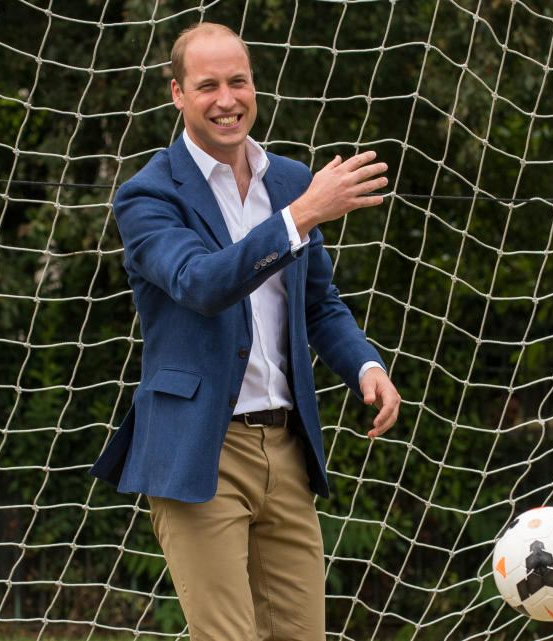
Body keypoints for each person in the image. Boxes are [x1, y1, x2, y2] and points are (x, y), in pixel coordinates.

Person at [89, 22, 400, 641]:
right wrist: (305, 214)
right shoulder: (147, 196)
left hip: (287, 449)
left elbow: (319, 304)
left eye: (239, 81)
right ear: (177, 93)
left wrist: (367, 366)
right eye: (208, 86)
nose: (227, 99)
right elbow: (202, 283)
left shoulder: (288, 180)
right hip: (201, 448)